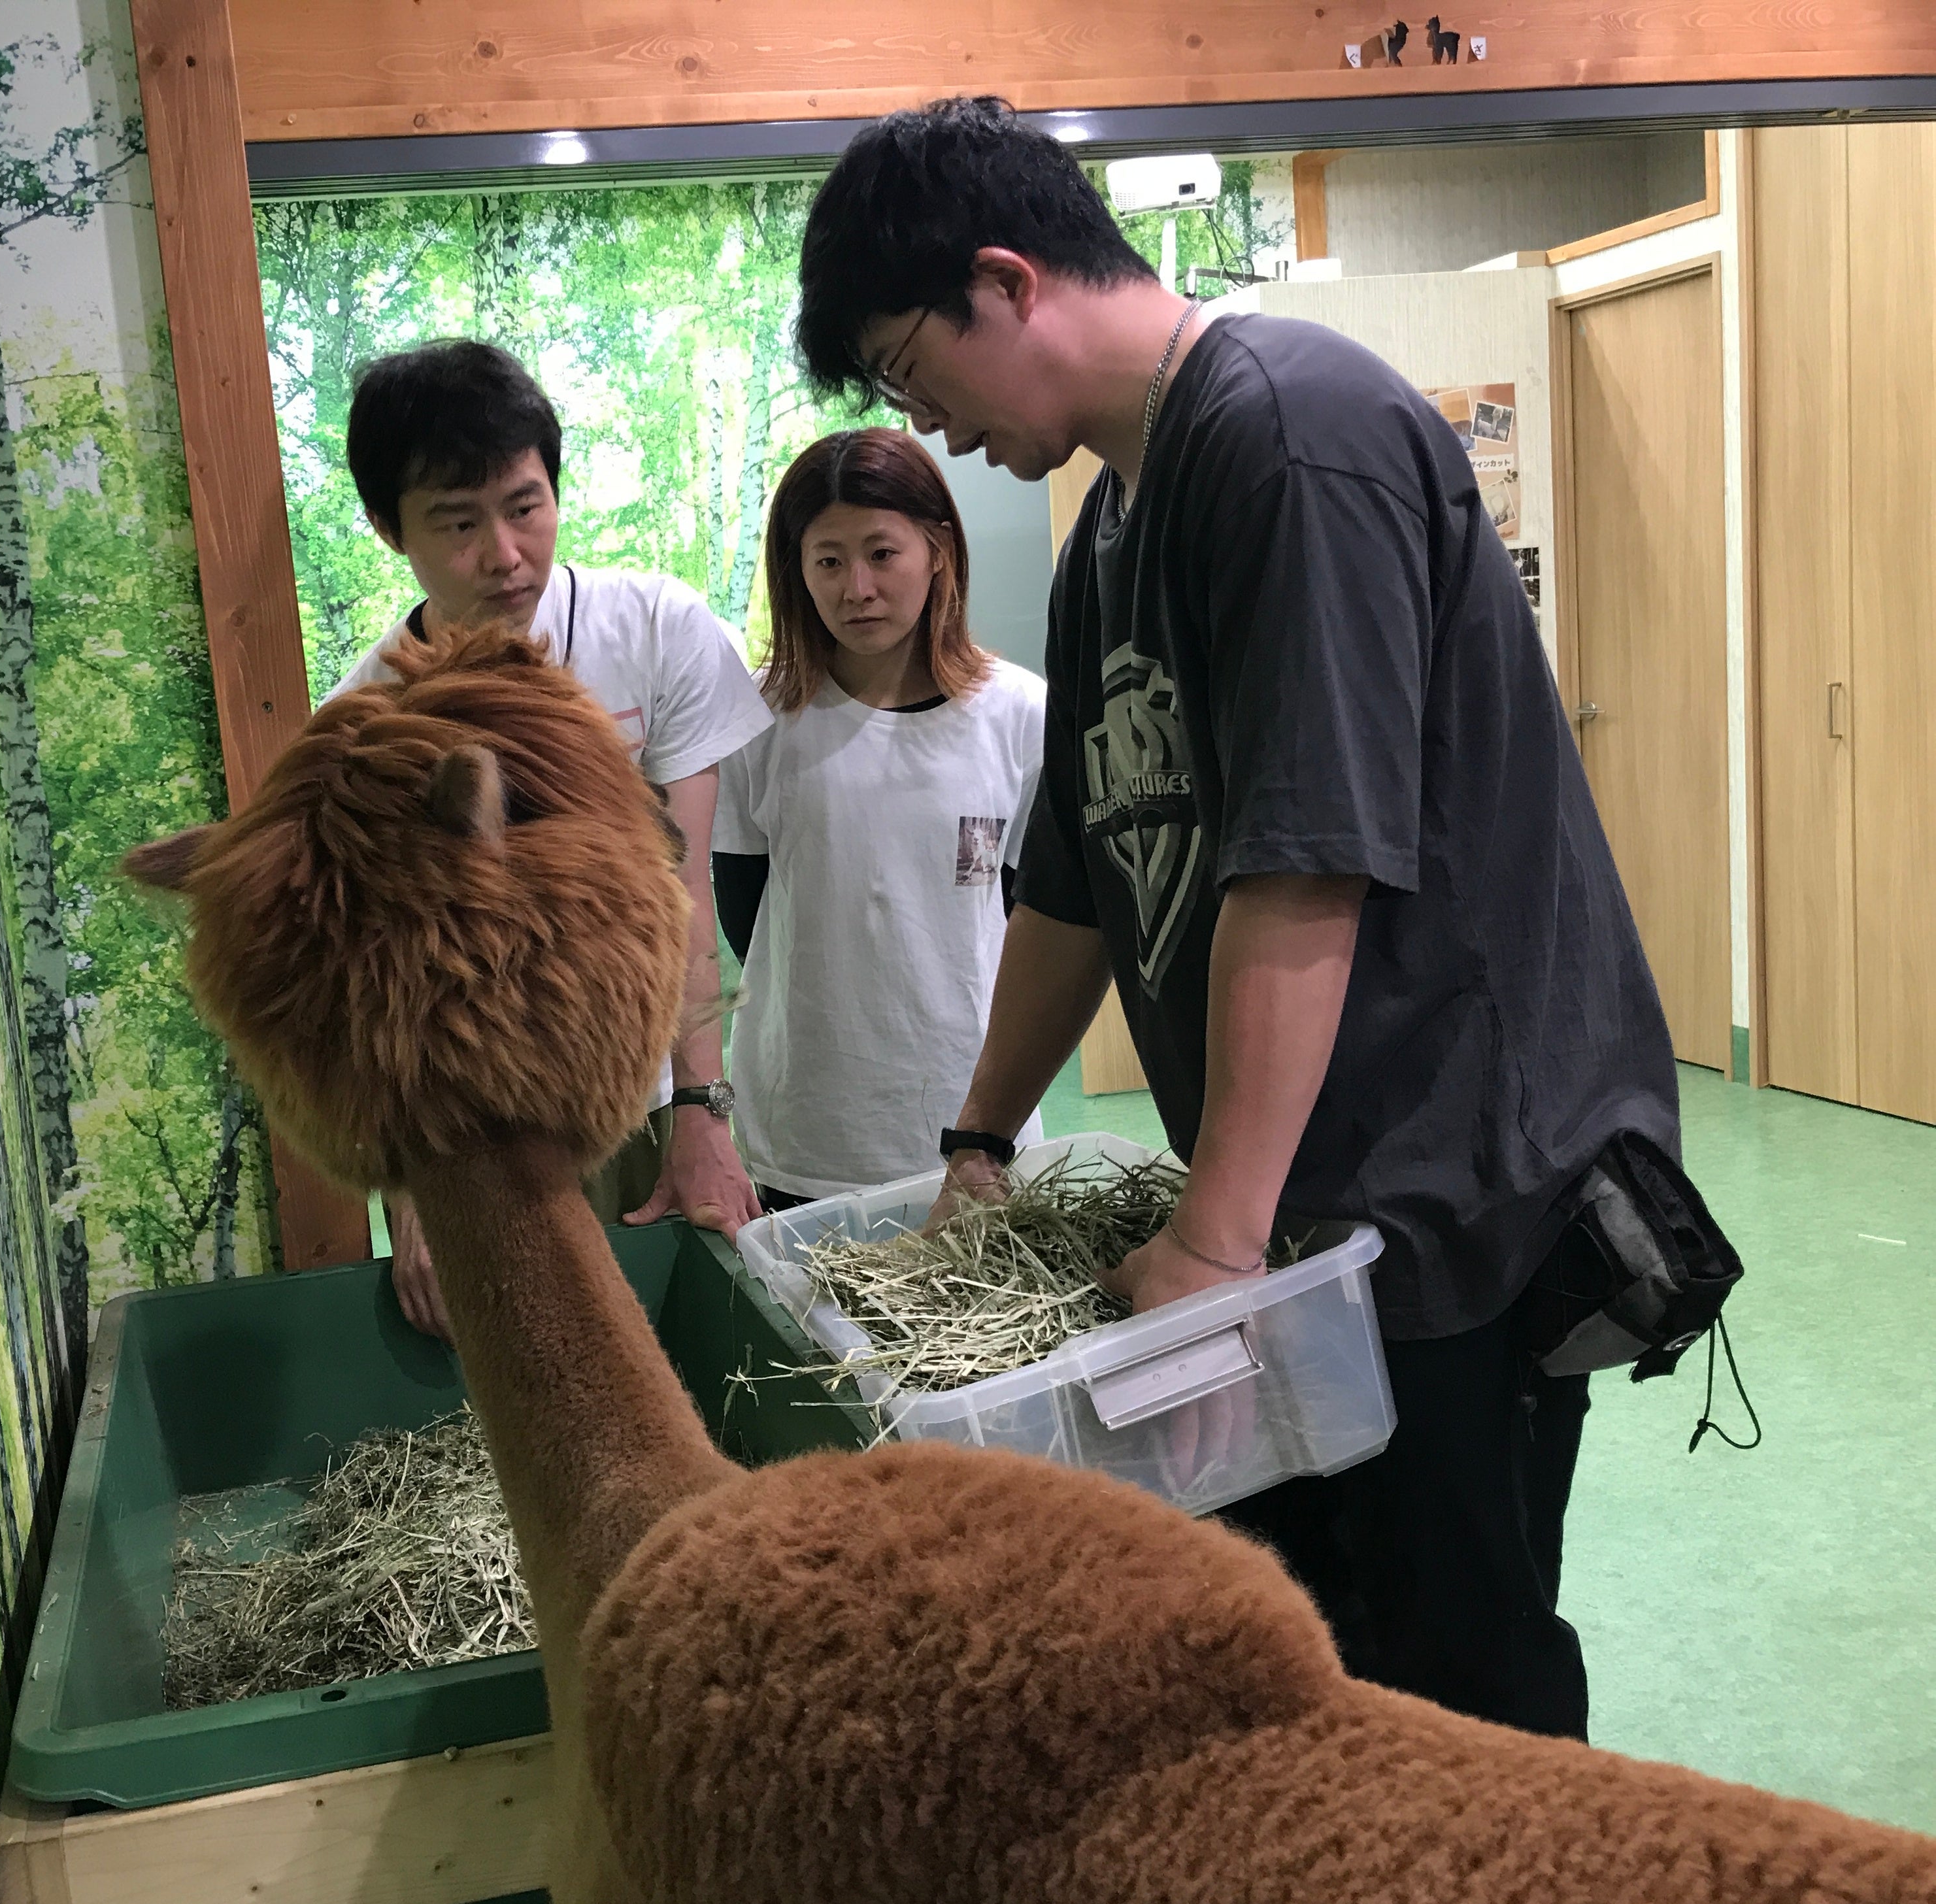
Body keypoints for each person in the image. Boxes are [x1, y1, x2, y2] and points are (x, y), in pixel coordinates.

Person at [794, 97, 1683, 1741]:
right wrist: (980, 1136)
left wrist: (1210, 1238)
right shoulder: (1111, 528)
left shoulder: (1287, 435)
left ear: (1009, 281)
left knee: (1454, 1676)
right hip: (1300, 1218)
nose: (929, 419)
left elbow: (1307, 863)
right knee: (1300, 1656)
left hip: (1444, 1193)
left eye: (919, 370)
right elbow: (1075, 876)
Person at [327, 339, 772, 1338]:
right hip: (473, 1122)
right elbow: (389, 975)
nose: (505, 553)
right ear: (387, 528)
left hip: (642, 1088)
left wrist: (703, 1111)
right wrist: (413, 1191)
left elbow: (684, 889)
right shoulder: (368, 720)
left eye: (525, 505)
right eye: (457, 521)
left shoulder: (658, 632)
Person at [712, 428, 1048, 1209]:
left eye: (881, 554)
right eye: (828, 560)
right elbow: (744, 910)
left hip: (977, 1121)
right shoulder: (758, 720)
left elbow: (1032, 916)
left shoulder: (1019, 715)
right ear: (797, 569)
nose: (856, 587)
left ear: (938, 550)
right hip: (807, 1130)